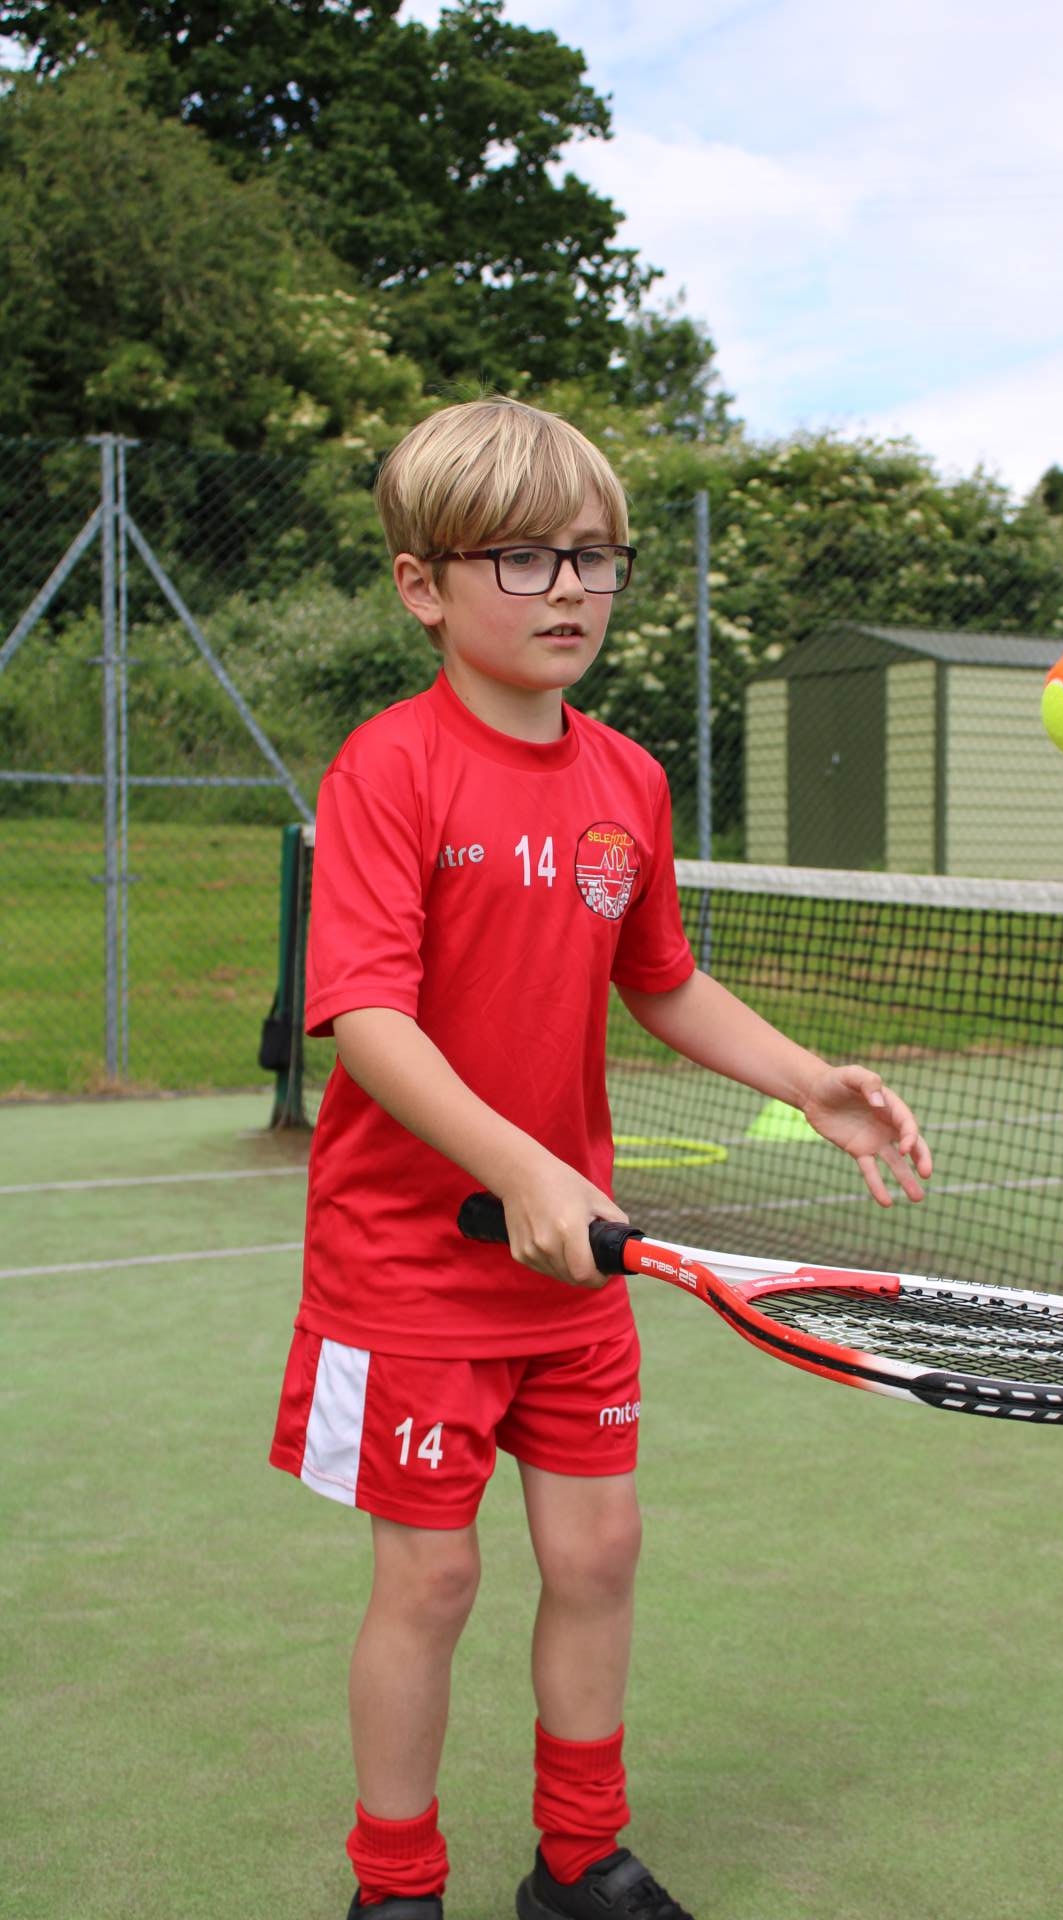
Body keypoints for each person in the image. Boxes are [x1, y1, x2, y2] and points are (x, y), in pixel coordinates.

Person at [269, 396, 932, 1920]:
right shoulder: (388, 769)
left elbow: (663, 979)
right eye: (522, 558)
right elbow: (366, 1019)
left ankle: (579, 1861)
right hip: (407, 1271)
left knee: (602, 1553)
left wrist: (811, 1083)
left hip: (572, 1271)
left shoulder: (628, 780)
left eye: (594, 556)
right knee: (431, 1580)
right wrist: (522, 1168)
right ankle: (395, 1887)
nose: (570, 588)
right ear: (423, 586)